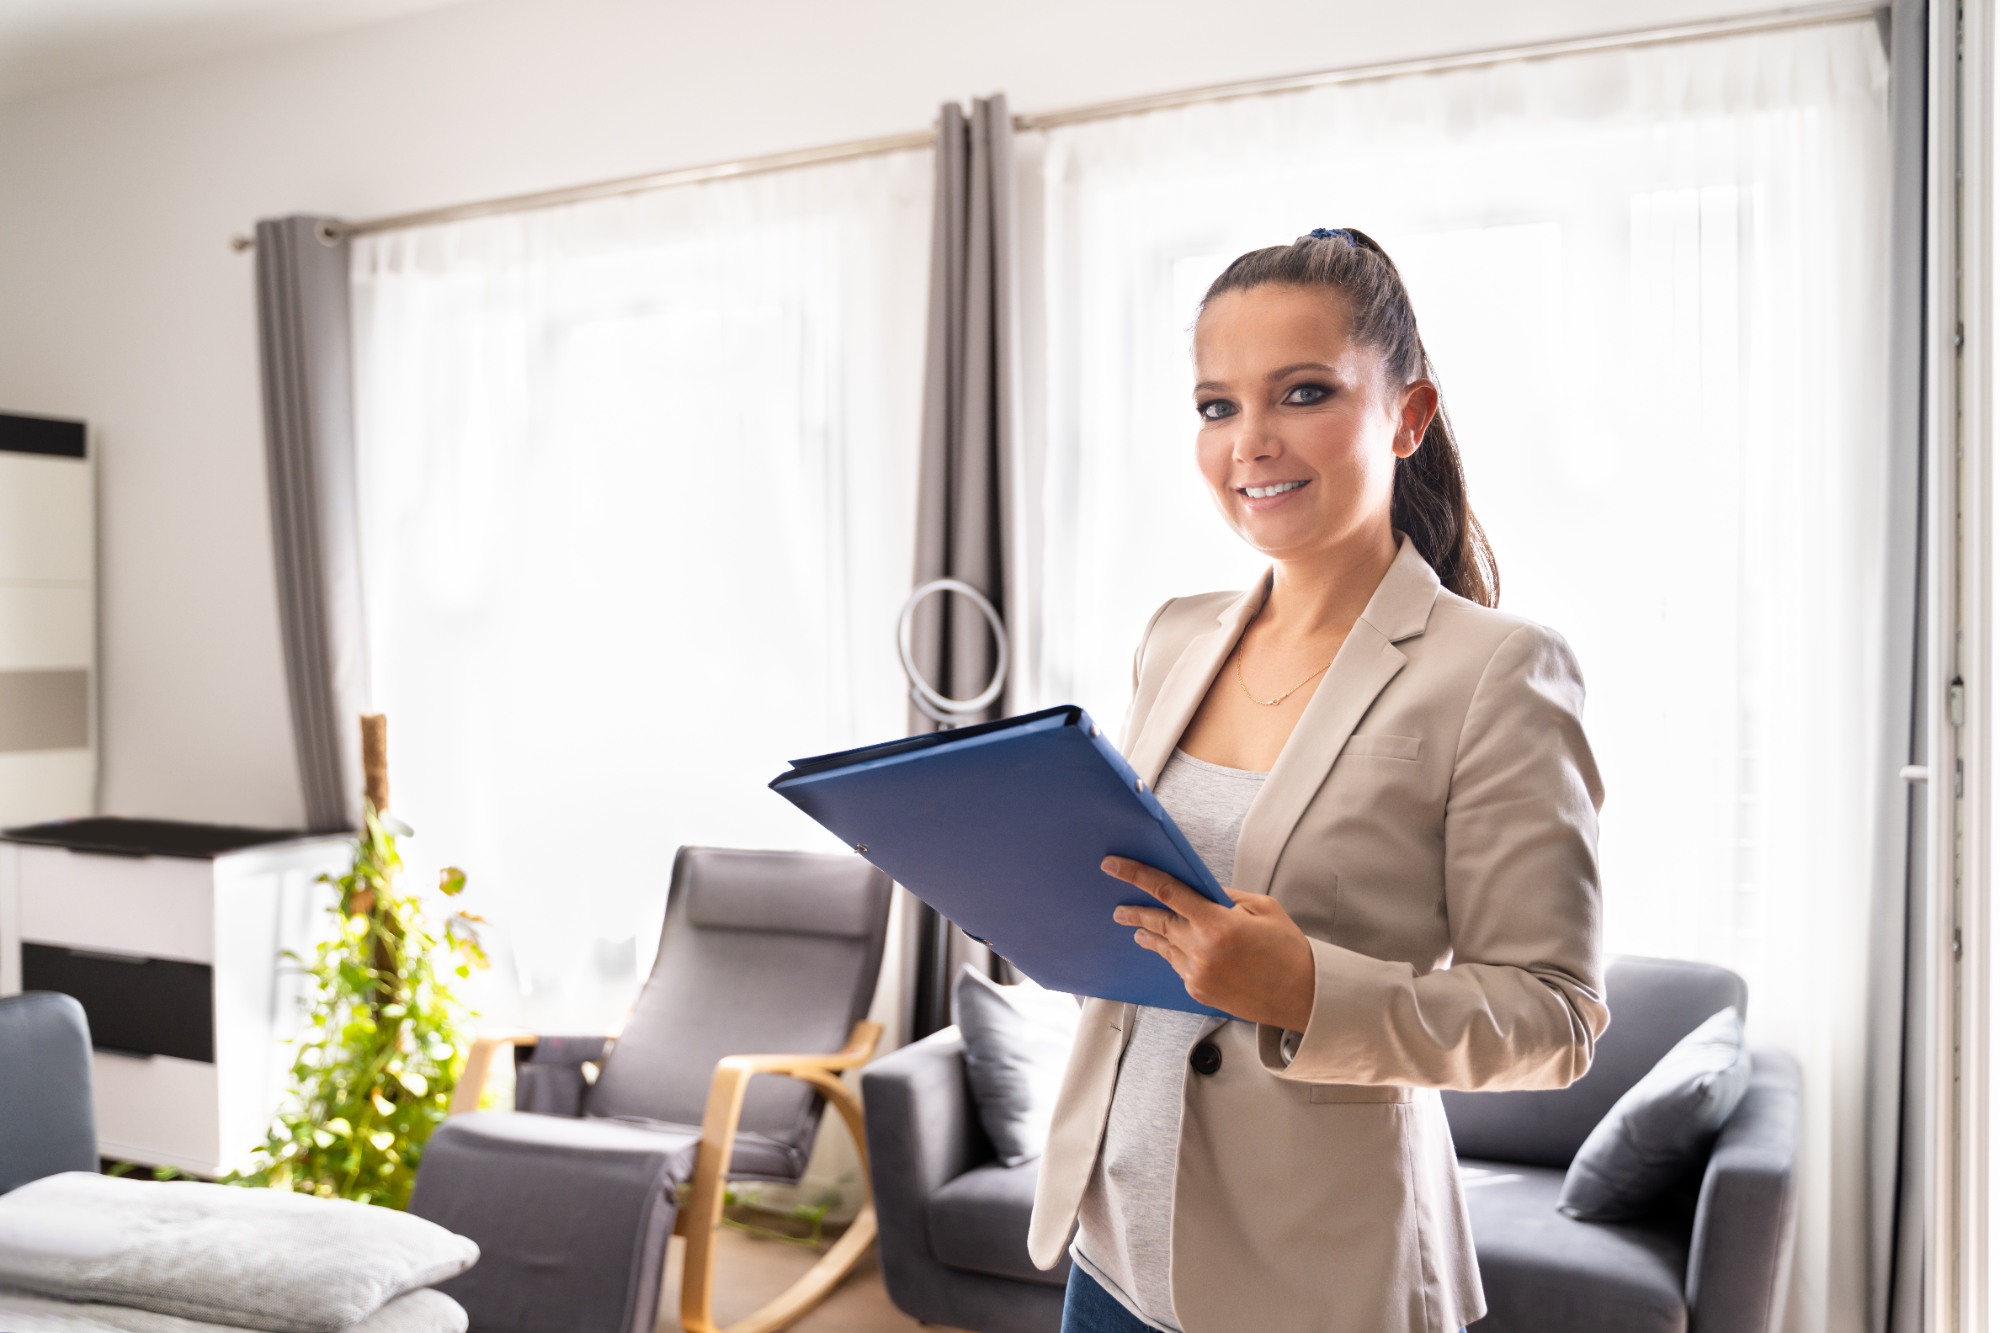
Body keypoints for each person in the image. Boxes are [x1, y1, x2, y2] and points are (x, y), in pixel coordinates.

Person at [1026, 227, 1608, 1333]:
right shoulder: (1174, 635)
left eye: (1302, 392)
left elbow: (1554, 1018)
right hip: (1110, 1247)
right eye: (1216, 406)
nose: (1250, 442)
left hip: (1314, 1280)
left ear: (1408, 414)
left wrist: (1304, 991)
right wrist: (1034, 896)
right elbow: (1156, 906)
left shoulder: (1496, 670)